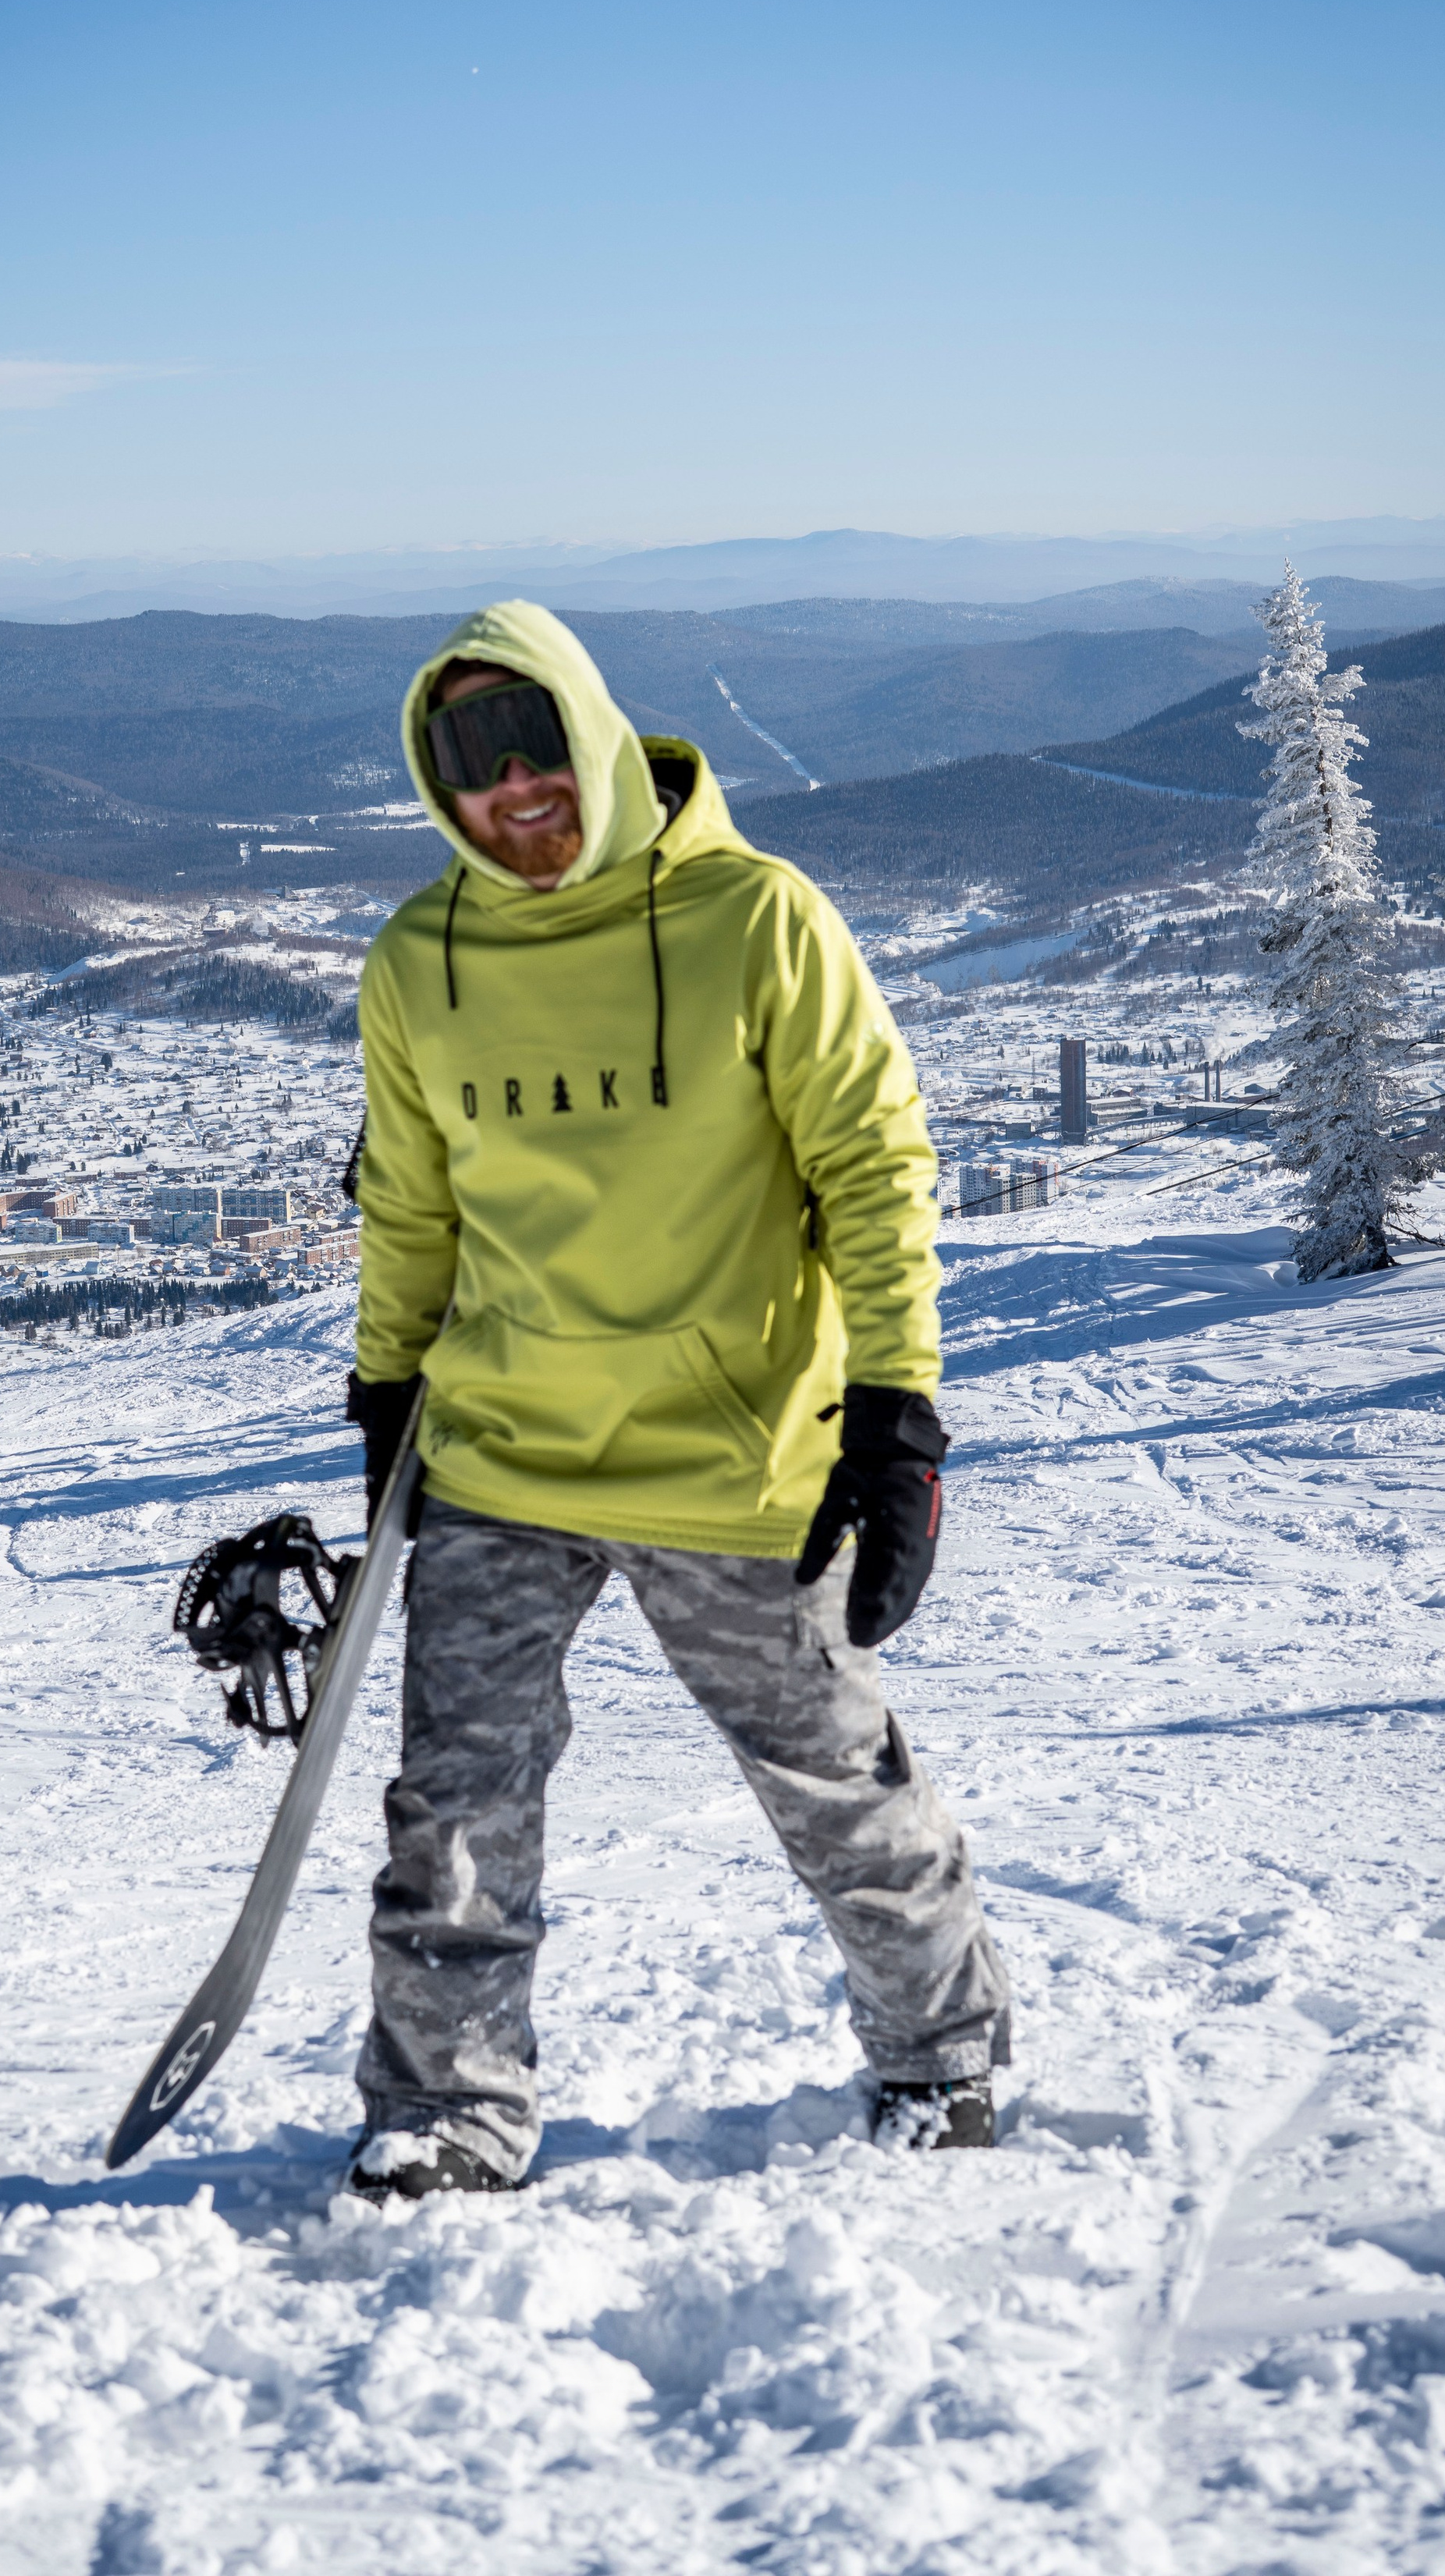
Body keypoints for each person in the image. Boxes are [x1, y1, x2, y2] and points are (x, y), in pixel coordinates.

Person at [343, 601, 1010, 2200]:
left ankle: (942, 2061)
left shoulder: (756, 920)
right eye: (466, 757)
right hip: (505, 1450)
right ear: (435, 784)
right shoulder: (416, 961)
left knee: (834, 1789)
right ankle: (447, 2111)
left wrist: (894, 1412)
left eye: (532, 742)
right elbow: (414, 1209)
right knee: (453, 1809)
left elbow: (872, 1166)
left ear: (590, 732)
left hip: (727, 1460)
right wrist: (386, 1392)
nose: (513, 786)